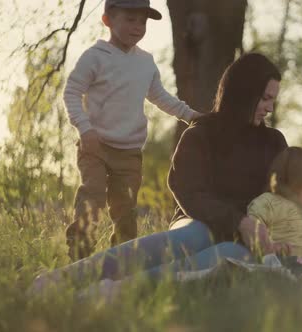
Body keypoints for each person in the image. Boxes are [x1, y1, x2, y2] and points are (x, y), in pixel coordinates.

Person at [30, 52, 289, 293]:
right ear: (244, 93)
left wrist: (278, 234)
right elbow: (190, 194)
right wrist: (238, 221)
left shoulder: (274, 143)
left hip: (247, 240)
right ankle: (65, 280)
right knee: (195, 236)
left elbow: (286, 198)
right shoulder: (201, 134)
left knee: (231, 256)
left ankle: (116, 292)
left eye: (273, 100)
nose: (269, 108)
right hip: (198, 221)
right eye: (265, 98)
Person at [63, 0, 202, 260]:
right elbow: (71, 92)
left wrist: (191, 116)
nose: (137, 26)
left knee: (125, 211)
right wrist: (85, 129)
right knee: (92, 197)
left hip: (129, 152)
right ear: (108, 20)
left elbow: (160, 97)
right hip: (95, 145)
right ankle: (79, 256)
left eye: (142, 21)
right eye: (130, 19)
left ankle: (120, 262)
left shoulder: (145, 62)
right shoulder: (95, 56)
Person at [247, 147, 302, 259]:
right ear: (298, 181)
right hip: (282, 262)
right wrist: (269, 246)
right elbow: (253, 226)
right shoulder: (269, 201)